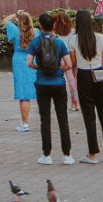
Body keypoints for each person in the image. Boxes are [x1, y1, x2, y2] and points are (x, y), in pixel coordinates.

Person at [26, 12, 74, 165]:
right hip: (59, 84)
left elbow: (28, 62)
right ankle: (67, 155)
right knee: (63, 119)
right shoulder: (59, 43)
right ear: (54, 26)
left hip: (42, 84)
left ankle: (46, 155)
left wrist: (39, 67)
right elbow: (69, 64)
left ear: (40, 26)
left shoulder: (35, 42)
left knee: (45, 119)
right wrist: (59, 70)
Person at [68, 9, 103, 162]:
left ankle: (93, 154)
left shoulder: (73, 40)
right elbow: (102, 58)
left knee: (89, 117)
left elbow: (73, 62)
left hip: (84, 76)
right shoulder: (101, 38)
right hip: (99, 74)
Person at [2, 10, 38, 131]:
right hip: (32, 60)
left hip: (18, 61)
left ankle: (24, 123)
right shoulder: (36, 32)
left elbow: (5, 21)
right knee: (31, 91)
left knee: (23, 94)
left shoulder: (15, 31)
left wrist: (16, 14)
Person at [52, 11, 79, 111]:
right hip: (73, 58)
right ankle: (75, 102)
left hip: (62, 59)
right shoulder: (73, 31)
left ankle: (74, 103)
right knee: (73, 81)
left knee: (68, 81)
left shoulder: (55, 34)